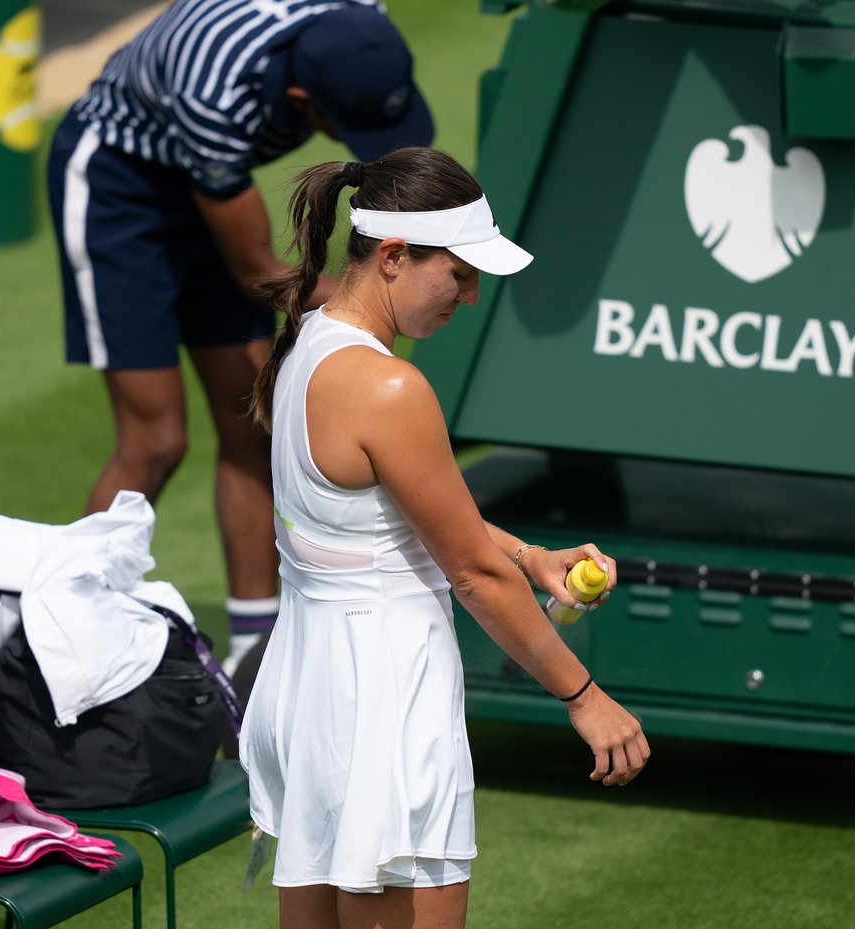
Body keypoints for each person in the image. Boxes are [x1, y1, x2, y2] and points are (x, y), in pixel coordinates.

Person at [239, 147, 650, 929]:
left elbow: (410, 516)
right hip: (383, 696)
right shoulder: (391, 387)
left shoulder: (308, 339)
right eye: (458, 275)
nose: (469, 296)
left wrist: (530, 557)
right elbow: (470, 572)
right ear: (393, 256)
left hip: (314, 688)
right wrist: (584, 696)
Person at [46, 0, 435, 673]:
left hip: (207, 176)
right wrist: (391, 301)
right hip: (119, 187)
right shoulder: (214, 89)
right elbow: (262, 271)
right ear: (296, 95)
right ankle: (57, 636)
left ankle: (255, 656)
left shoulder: (360, 21)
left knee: (251, 420)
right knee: (156, 437)